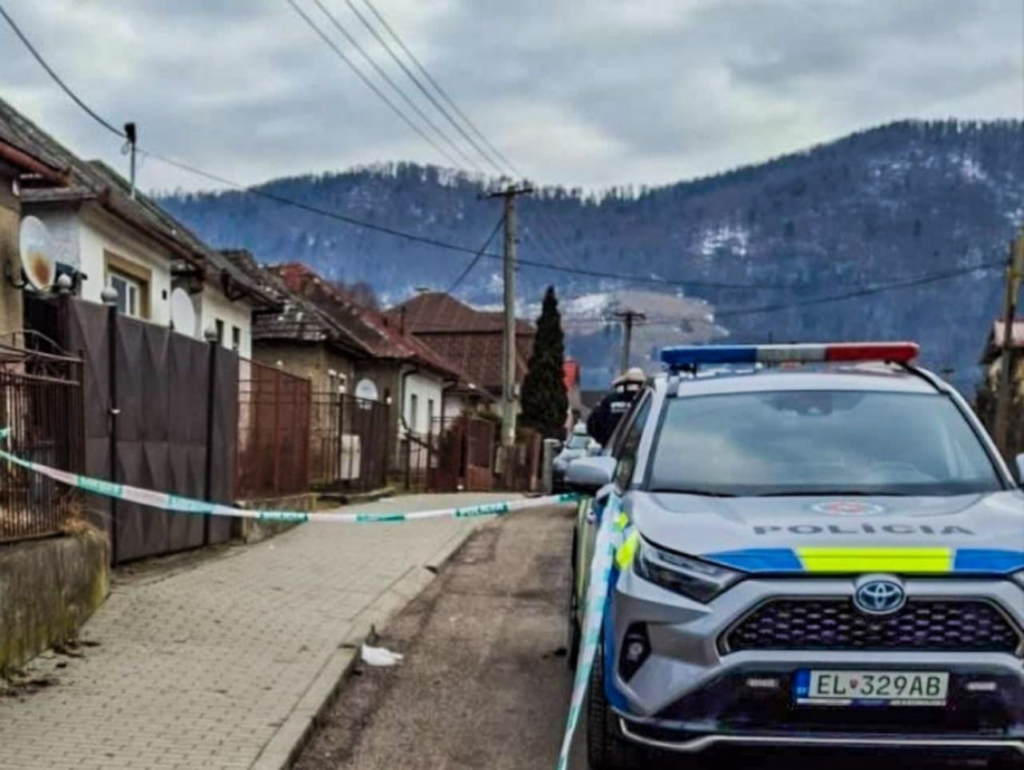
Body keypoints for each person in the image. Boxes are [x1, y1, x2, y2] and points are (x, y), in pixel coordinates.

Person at [586, 367, 646, 446]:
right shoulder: (645, 401)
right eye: (632, 384)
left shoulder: (611, 399)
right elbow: (593, 423)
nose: (633, 388)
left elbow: (592, 424)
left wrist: (605, 442)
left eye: (636, 384)